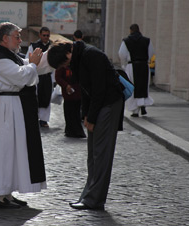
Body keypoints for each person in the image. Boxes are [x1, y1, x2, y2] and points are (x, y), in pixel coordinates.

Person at [48, 40, 124, 210]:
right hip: (99, 105)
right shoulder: (80, 57)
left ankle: (94, 200)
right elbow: (86, 90)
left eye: (64, 62)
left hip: (109, 104)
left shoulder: (91, 55)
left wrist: (92, 117)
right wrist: (86, 116)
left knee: (101, 154)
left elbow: (99, 89)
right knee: (93, 154)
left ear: (68, 53)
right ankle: (88, 195)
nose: (66, 66)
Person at [0, 22, 51, 209]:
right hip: (5, 108)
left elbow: (28, 65)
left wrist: (49, 58)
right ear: (5, 38)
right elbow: (21, 76)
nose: (20, 40)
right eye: (17, 36)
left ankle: (7, 193)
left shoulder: (10, 56)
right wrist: (34, 64)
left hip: (14, 106)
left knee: (13, 151)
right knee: (4, 150)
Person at [118, 24, 155, 117]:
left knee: (133, 87)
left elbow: (121, 54)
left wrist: (125, 61)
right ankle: (142, 104)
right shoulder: (147, 41)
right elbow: (151, 53)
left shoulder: (126, 41)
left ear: (130, 30)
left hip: (132, 65)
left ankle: (135, 110)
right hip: (144, 65)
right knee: (143, 86)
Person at [25, 27, 53, 128]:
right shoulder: (34, 46)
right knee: (36, 97)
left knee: (46, 98)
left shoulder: (52, 46)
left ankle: (44, 120)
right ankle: (35, 118)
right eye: (44, 35)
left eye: (47, 35)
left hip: (47, 76)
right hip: (37, 75)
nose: (46, 37)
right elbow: (28, 59)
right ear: (40, 35)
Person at [55, 66, 86, 138]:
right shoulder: (62, 65)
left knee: (77, 112)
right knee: (69, 112)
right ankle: (70, 130)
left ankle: (76, 130)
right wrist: (66, 86)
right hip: (68, 94)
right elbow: (58, 78)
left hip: (78, 92)